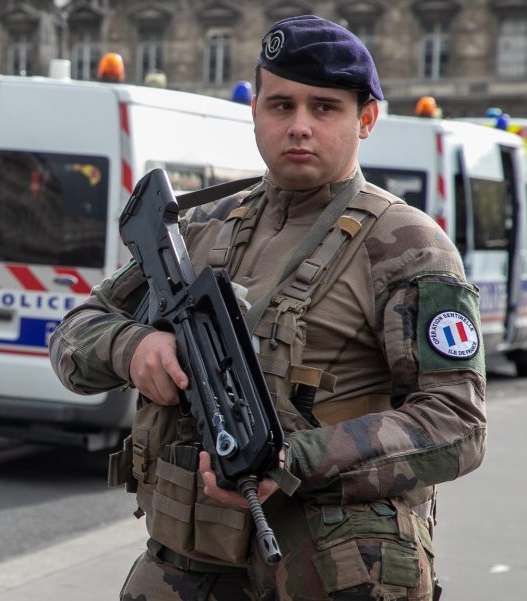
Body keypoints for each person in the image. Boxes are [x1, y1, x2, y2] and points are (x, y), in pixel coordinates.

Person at [50, 15, 486, 601]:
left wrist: (292, 459)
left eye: (324, 108)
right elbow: (73, 335)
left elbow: (456, 425)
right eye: (281, 106)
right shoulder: (199, 229)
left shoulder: (408, 246)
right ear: (254, 112)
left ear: (366, 119)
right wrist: (133, 349)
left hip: (329, 567)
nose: (299, 127)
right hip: (189, 561)